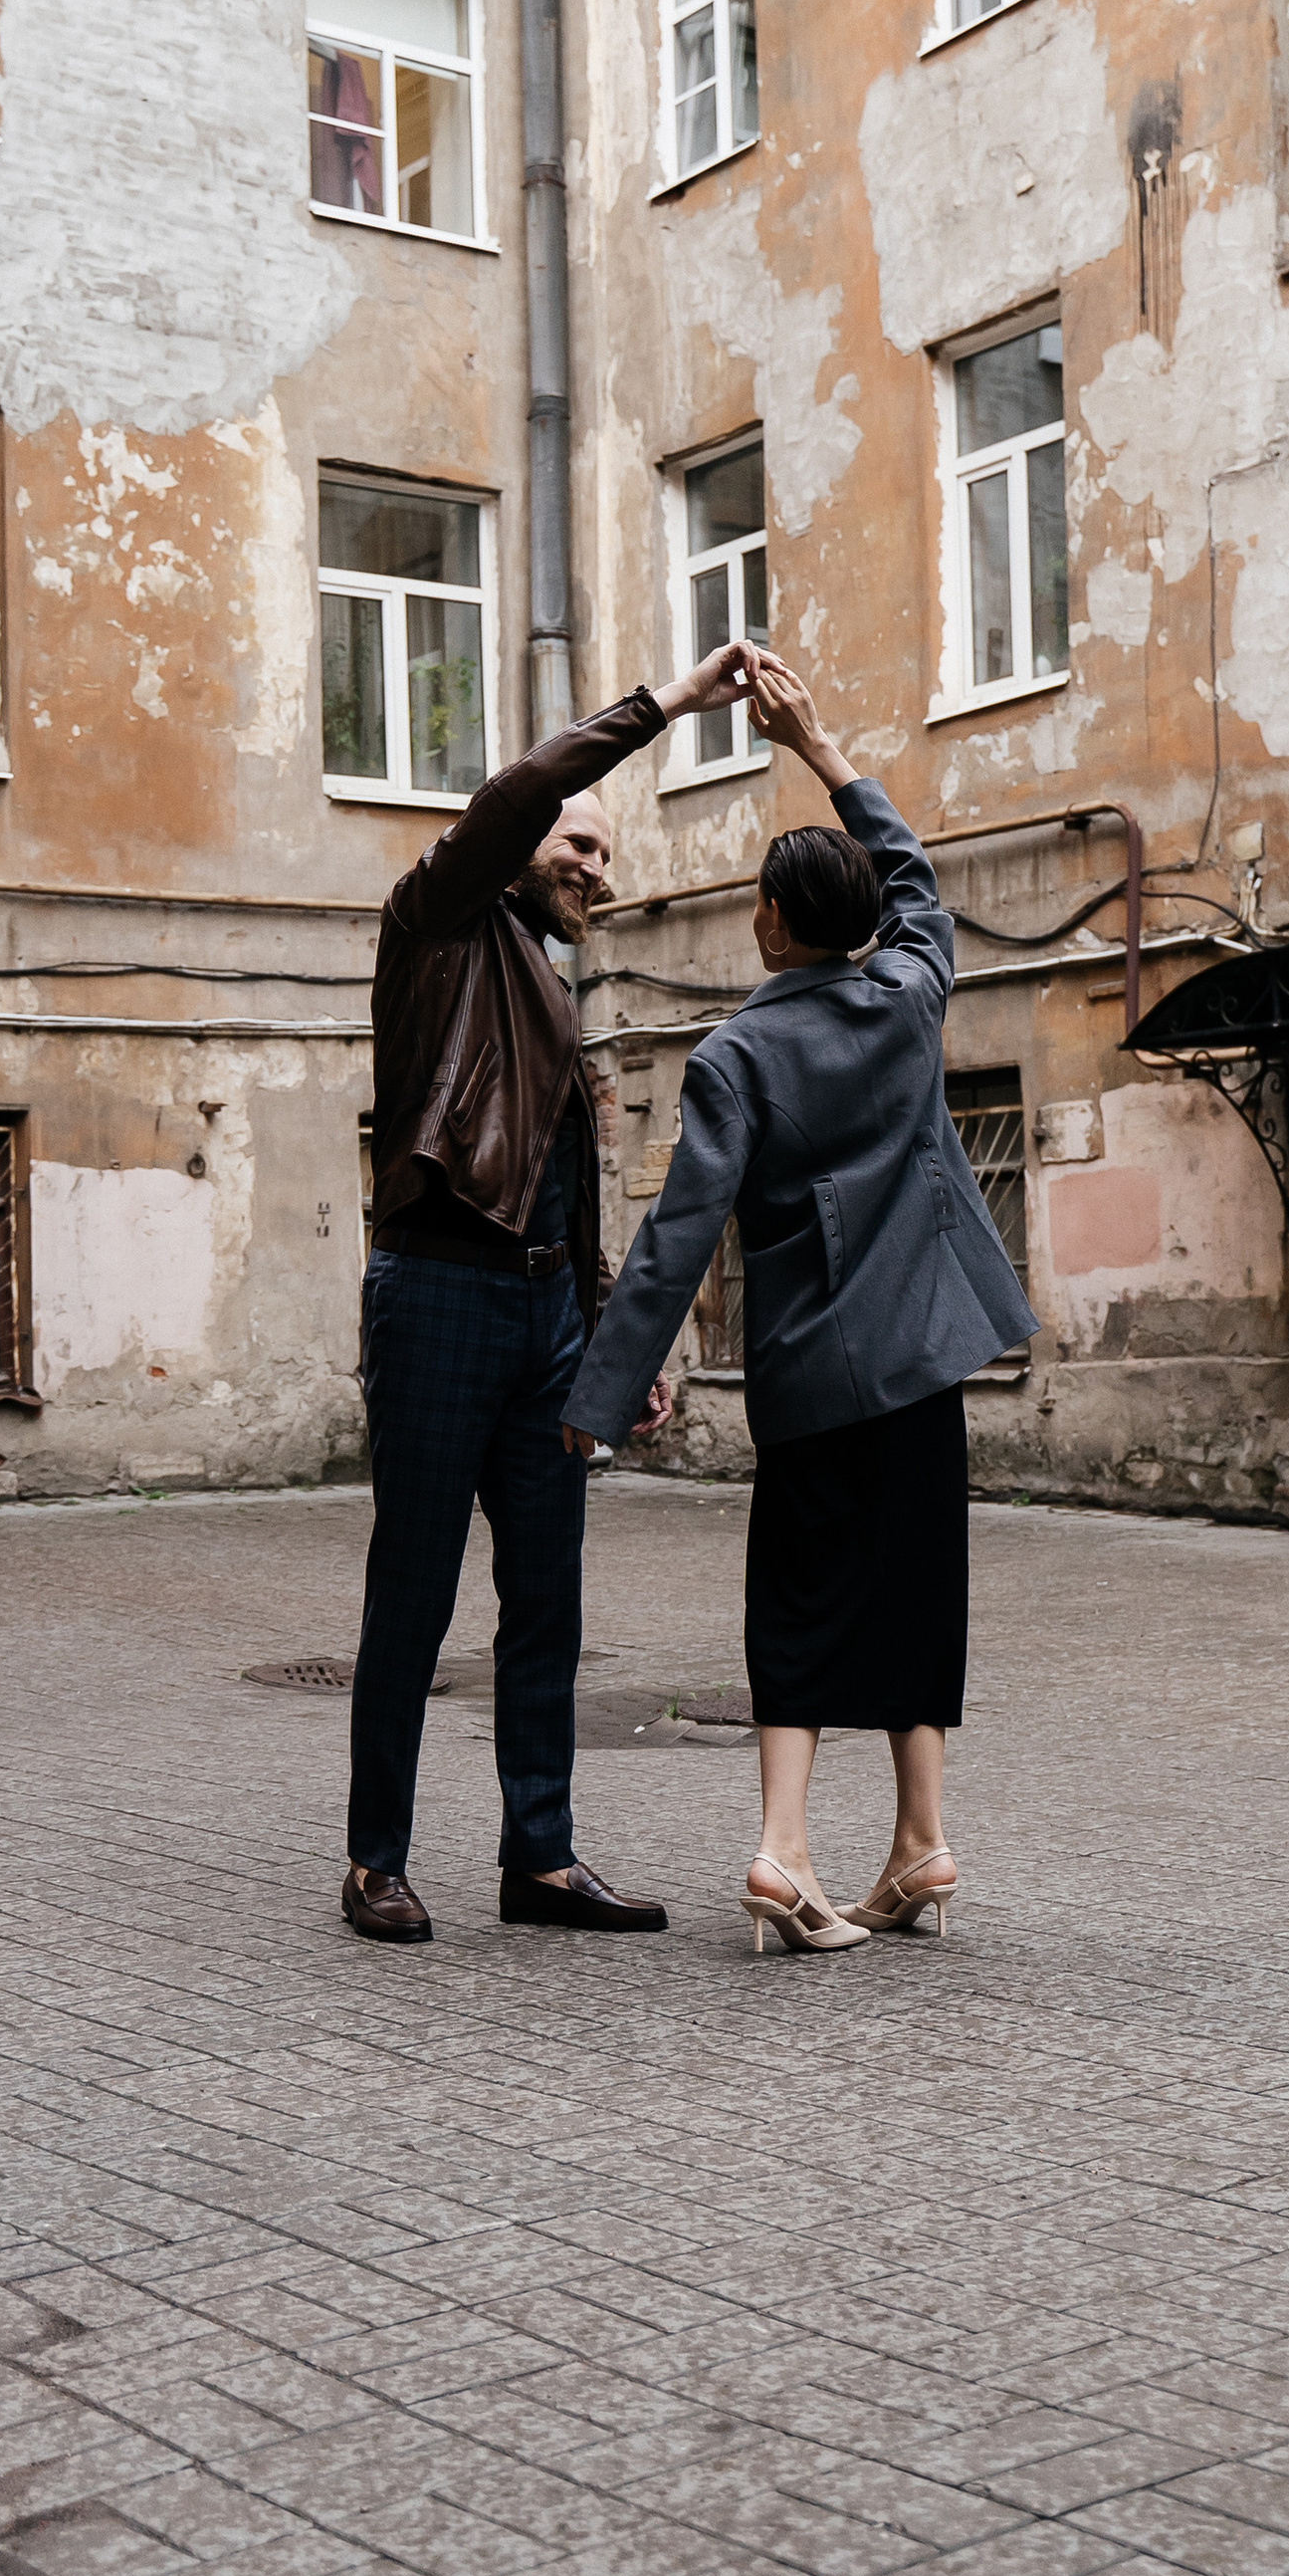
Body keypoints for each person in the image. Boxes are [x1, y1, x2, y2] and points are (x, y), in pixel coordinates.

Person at [559, 652, 1035, 1952]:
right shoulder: (912, 990)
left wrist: (599, 1397)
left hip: (815, 1374)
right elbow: (919, 877)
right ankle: (922, 1843)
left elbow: (675, 1240)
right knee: (921, 1592)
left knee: (802, 1602)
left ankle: (783, 1850)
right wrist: (818, 740)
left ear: (773, 922)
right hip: (927, 1359)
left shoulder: (737, 1055)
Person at [342, 642, 763, 1945]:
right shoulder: (437, 925)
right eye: (580, 846)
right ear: (516, 840)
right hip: (438, 1294)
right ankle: (375, 1860)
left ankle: (540, 1857)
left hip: (540, 1317)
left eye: (604, 856)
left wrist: (613, 1345)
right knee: (413, 1588)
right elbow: (524, 793)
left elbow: (566, 1188)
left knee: (550, 1597)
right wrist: (671, 707)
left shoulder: (552, 990)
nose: (599, 868)